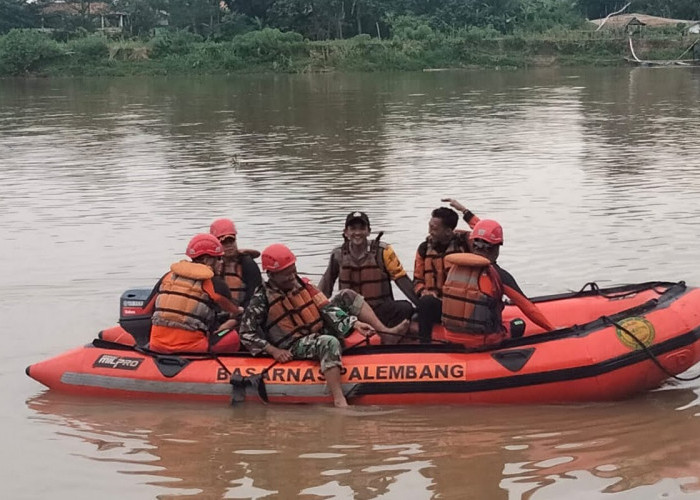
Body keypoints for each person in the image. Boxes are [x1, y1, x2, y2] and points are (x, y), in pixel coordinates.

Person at [239, 243, 409, 407]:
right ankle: (338, 398)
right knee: (328, 342)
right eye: (286, 274)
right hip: (293, 344)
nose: (292, 276)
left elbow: (327, 308)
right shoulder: (261, 299)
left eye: (293, 271)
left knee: (346, 295)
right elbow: (246, 333)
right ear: (272, 275)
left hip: (316, 329)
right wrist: (274, 351)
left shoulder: (303, 284)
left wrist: (354, 323)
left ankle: (384, 333)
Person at [441, 219, 554, 349]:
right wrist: (553, 329)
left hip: (450, 336)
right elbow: (528, 308)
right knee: (518, 323)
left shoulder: (455, 267)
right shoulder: (498, 275)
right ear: (496, 247)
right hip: (482, 340)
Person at [318, 211, 418, 344]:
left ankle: (387, 336)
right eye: (353, 229)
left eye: (362, 228)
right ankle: (383, 335)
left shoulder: (384, 251)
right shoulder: (338, 254)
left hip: (378, 309)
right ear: (346, 232)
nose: (357, 233)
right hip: (350, 313)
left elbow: (402, 281)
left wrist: (421, 306)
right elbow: (326, 284)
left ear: (369, 231)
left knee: (405, 307)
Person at [149, 233, 242, 354]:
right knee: (234, 332)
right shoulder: (214, 283)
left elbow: (146, 309)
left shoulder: (168, 276)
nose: (221, 263)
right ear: (207, 260)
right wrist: (237, 316)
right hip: (193, 349)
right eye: (218, 258)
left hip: (157, 345)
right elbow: (234, 311)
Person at [413, 199, 480, 343]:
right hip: (436, 305)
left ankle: (426, 345)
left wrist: (464, 211)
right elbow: (417, 280)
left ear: (449, 231)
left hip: (462, 306)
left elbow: (484, 232)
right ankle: (424, 345)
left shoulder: (465, 242)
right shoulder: (424, 249)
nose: (430, 231)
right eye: (430, 226)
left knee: (426, 304)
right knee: (424, 303)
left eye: (435, 229)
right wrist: (423, 291)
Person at [209, 218, 262, 312]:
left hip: (242, 313)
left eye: (231, 241)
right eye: (224, 242)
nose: (229, 245)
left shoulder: (247, 264)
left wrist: (236, 318)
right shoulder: (210, 266)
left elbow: (254, 297)